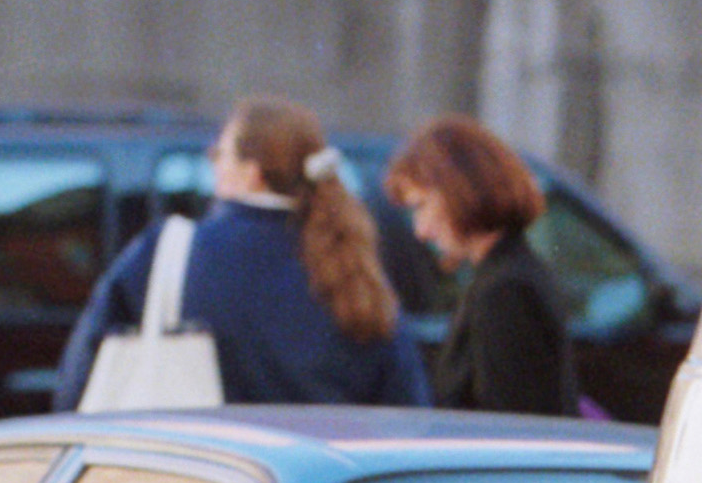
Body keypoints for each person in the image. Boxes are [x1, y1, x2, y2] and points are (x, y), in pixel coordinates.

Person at [49, 96, 422, 412]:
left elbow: (78, 378)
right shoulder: (353, 268)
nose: (213, 163)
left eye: (219, 153)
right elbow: (407, 403)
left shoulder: (170, 252)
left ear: (252, 172)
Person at [385, 115, 580, 418]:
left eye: (421, 206)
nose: (420, 231)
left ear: (460, 191)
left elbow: (512, 429)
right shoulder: (505, 275)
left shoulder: (505, 290)